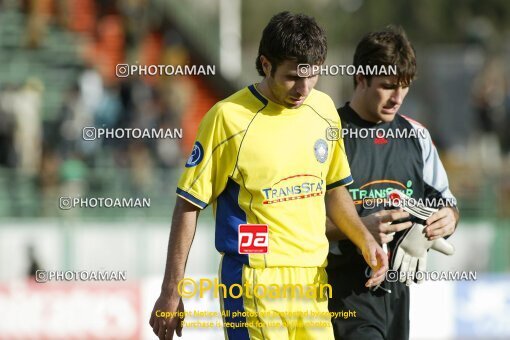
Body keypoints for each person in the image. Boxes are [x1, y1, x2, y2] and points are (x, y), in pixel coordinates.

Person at [149, 11, 388, 340]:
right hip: (253, 281)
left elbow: (335, 190)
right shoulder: (228, 119)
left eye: (312, 75)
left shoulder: (324, 111)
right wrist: (171, 290)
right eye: (292, 77)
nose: (303, 89)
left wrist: (365, 239)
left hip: (313, 282)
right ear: (265, 64)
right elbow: (189, 205)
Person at [326, 27, 460, 340]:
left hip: (398, 299)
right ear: (360, 78)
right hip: (341, 298)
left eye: (405, 87)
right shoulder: (327, 134)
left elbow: (446, 202)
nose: (397, 98)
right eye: (387, 87)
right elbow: (296, 222)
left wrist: (447, 219)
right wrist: (358, 229)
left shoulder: (417, 137)